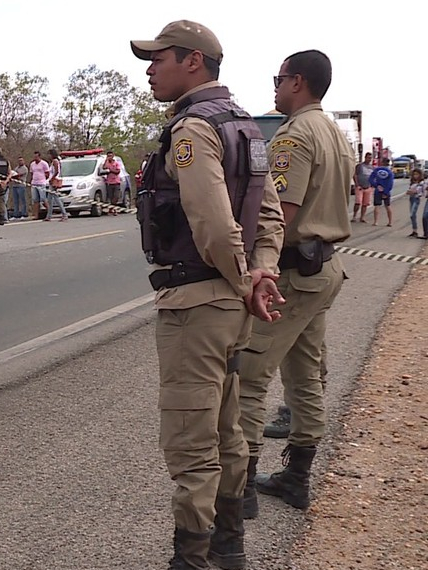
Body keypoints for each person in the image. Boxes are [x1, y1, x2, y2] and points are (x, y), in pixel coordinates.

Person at [131, 20, 285, 570]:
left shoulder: (194, 129)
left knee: (192, 444)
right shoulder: (246, 126)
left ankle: (192, 559)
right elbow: (268, 216)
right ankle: (229, 549)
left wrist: (245, 279)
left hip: (197, 303)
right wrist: (261, 273)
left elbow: (214, 227)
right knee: (227, 433)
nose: (150, 69)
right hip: (233, 307)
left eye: (159, 58)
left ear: (192, 61)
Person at [237, 50, 353, 522]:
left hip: (291, 273)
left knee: (249, 376)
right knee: (305, 377)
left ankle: (239, 488)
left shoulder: (295, 135)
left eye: (279, 78)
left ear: (297, 82)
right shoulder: (333, 133)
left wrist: (249, 265)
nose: (275, 86)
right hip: (323, 270)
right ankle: (297, 479)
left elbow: (278, 214)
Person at [45, 148, 68, 222]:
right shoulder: (53, 162)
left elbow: (56, 171)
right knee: (50, 199)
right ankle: (49, 216)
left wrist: (52, 179)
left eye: (49, 154)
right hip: (52, 180)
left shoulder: (55, 161)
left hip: (54, 181)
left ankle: (64, 214)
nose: (48, 156)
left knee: (56, 198)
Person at [352, 152, 375, 223]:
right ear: (365, 157)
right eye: (368, 158)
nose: (369, 159)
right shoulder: (360, 166)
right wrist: (357, 184)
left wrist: (372, 185)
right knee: (358, 202)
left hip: (368, 187)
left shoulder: (372, 168)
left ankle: (362, 217)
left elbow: (373, 177)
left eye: (370, 158)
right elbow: (355, 175)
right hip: (360, 187)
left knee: (365, 204)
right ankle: (354, 216)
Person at [29, 151, 50, 220]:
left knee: (43, 199)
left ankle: (49, 213)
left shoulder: (44, 163)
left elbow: (47, 173)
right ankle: (36, 215)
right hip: (34, 183)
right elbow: (31, 173)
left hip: (41, 183)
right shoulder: (32, 164)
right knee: (35, 200)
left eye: (37, 157)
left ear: (39, 157)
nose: (35, 158)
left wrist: (43, 179)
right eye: (34, 157)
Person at [101, 150, 123, 215]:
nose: (109, 157)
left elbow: (117, 171)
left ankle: (113, 209)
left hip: (116, 182)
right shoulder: (106, 163)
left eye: (111, 156)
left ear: (113, 156)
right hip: (109, 183)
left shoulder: (116, 163)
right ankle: (112, 209)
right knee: (110, 197)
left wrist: (110, 170)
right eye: (108, 156)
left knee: (116, 197)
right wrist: (106, 161)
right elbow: (104, 168)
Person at [406, 168, 425, 237]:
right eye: (414, 174)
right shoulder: (413, 183)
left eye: (417, 174)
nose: (415, 176)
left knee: (412, 214)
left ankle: (415, 230)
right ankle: (414, 230)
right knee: (412, 215)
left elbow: (418, 191)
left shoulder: (421, 183)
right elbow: (409, 191)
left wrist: (412, 192)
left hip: (416, 198)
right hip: (411, 198)